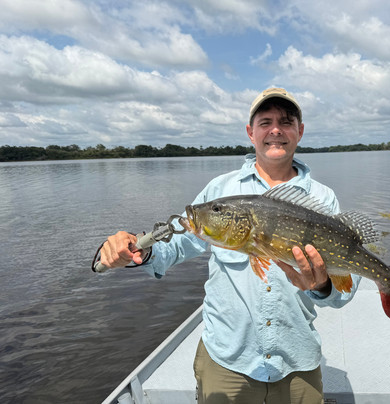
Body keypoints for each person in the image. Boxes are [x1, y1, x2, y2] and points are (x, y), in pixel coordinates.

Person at [99, 87, 361, 404]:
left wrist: (323, 285)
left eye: (286, 122)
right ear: (250, 132)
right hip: (227, 361)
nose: (275, 130)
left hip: (297, 361)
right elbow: (176, 245)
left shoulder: (323, 198)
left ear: (300, 131)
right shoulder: (220, 189)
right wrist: (138, 249)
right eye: (265, 122)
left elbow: (344, 290)